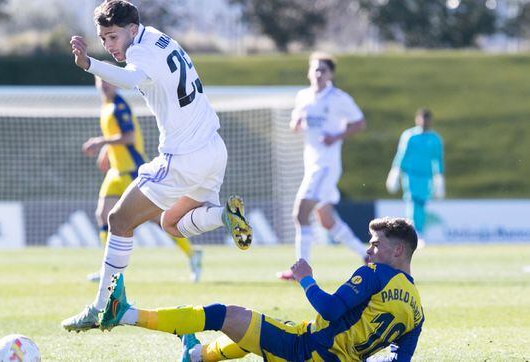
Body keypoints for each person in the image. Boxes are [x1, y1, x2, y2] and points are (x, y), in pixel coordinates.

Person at [62, 0, 252, 332]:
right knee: (173, 224)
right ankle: (223, 215)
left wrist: (88, 63)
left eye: (113, 37)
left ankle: (101, 306)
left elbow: (130, 78)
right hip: (213, 149)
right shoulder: (160, 38)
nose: (110, 46)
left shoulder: (140, 53)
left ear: (132, 30)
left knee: (118, 219)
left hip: (182, 158)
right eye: (103, 39)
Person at [97, 217, 424, 361]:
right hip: (316, 347)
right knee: (253, 333)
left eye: (375, 244)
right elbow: (399, 359)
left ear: (398, 251)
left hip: (305, 350)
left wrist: (306, 279)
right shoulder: (417, 311)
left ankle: (124, 314)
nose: (369, 251)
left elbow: (330, 309)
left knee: (224, 314)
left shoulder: (376, 273)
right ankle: (196, 355)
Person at [83, 75, 203, 283]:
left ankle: (193, 255)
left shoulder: (119, 107)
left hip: (131, 170)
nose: (104, 84)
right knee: (103, 214)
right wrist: (107, 152)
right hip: (116, 172)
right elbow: (117, 137)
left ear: (115, 82)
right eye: (100, 80)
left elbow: (129, 137)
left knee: (159, 219)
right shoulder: (106, 106)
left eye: (108, 80)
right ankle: (108, 271)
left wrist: (101, 142)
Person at [278, 52, 368, 281]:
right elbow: (294, 124)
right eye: (315, 69)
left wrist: (336, 136)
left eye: (323, 70)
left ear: (331, 75)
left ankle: (300, 269)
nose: (318, 74)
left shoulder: (338, 98)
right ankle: (366, 254)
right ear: (309, 72)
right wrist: (295, 124)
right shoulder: (303, 96)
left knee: (300, 213)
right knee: (327, 221)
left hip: (326, 166)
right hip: (312, 164)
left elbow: (360, 123)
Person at [386, 108, 445, 241]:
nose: (424, 122)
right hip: (410, 174)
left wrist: (439, 177)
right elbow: (401, 154)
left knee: (422, 202)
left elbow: (438, 159)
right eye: (422, 118)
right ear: (417, 119)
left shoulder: (434, 139)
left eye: (427, 119)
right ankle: (413, 232)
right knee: (412, 200)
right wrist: (395, 171)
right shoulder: (410, 136)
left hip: (426, 176)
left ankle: (420, 232)